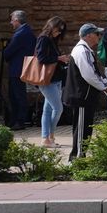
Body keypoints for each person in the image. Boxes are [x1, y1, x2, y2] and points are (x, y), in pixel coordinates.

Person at [64, 23, 107, 160]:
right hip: (81, 97)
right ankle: (77, 158)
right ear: (88, 35)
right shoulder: (82, 51)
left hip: (85, 96)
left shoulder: (86, 50)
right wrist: (103, 87)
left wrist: (103, 84)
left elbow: (92, 73)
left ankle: (81, 155)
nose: (99, 37)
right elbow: (88, 74)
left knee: (86, 128)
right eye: (97, 34)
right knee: (81, 128)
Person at [34, 17, 71, 147]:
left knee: (48, 110)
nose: (59, 32)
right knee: (58, 108)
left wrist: (61, 59)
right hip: (46, 79)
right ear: (51, 26)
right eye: (58, 29)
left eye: (62, 31)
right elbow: (41, 58)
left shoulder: (52, 40)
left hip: (55, 78)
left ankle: (46, 138)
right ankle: (50, 135)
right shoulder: (43, 39)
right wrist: (59, 58)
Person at [2, 10, 36, 129]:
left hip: (17, 68)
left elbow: (8, 52)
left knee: (17, 95)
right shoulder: (27, 32)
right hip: (21, 67)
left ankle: (19, 121)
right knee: (16, 95)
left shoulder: (21, 33)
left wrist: (5, 51)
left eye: (12, 20)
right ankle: (15, 119)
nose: (11, 23)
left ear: (16, 20)